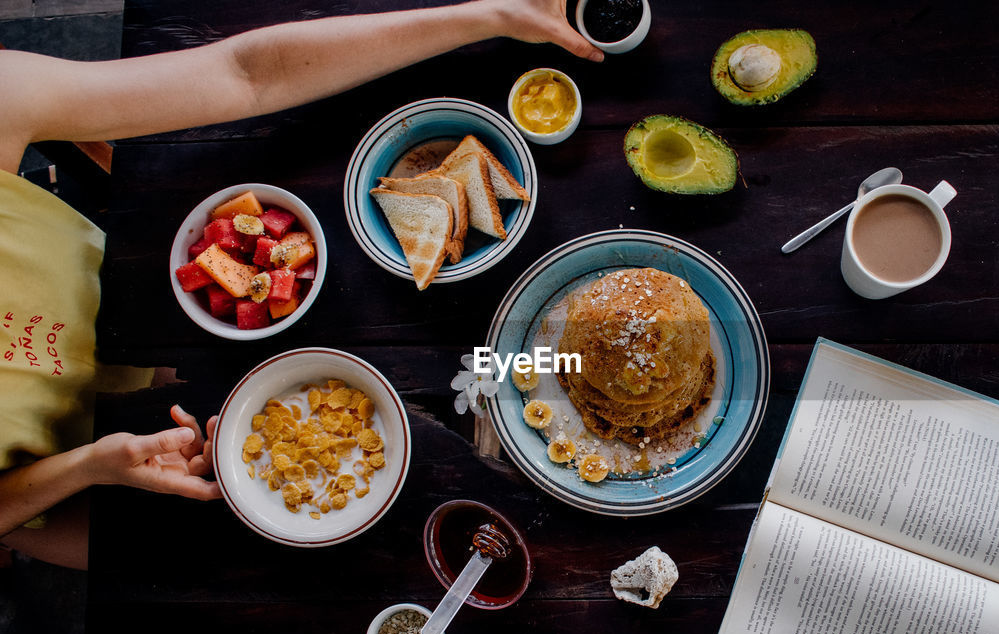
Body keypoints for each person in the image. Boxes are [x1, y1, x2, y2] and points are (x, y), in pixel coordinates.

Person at [0, 0, 602, 570]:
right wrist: (87, 468)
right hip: (71, 487)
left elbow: (246, 76)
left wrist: (489, 14)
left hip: (147, 318)